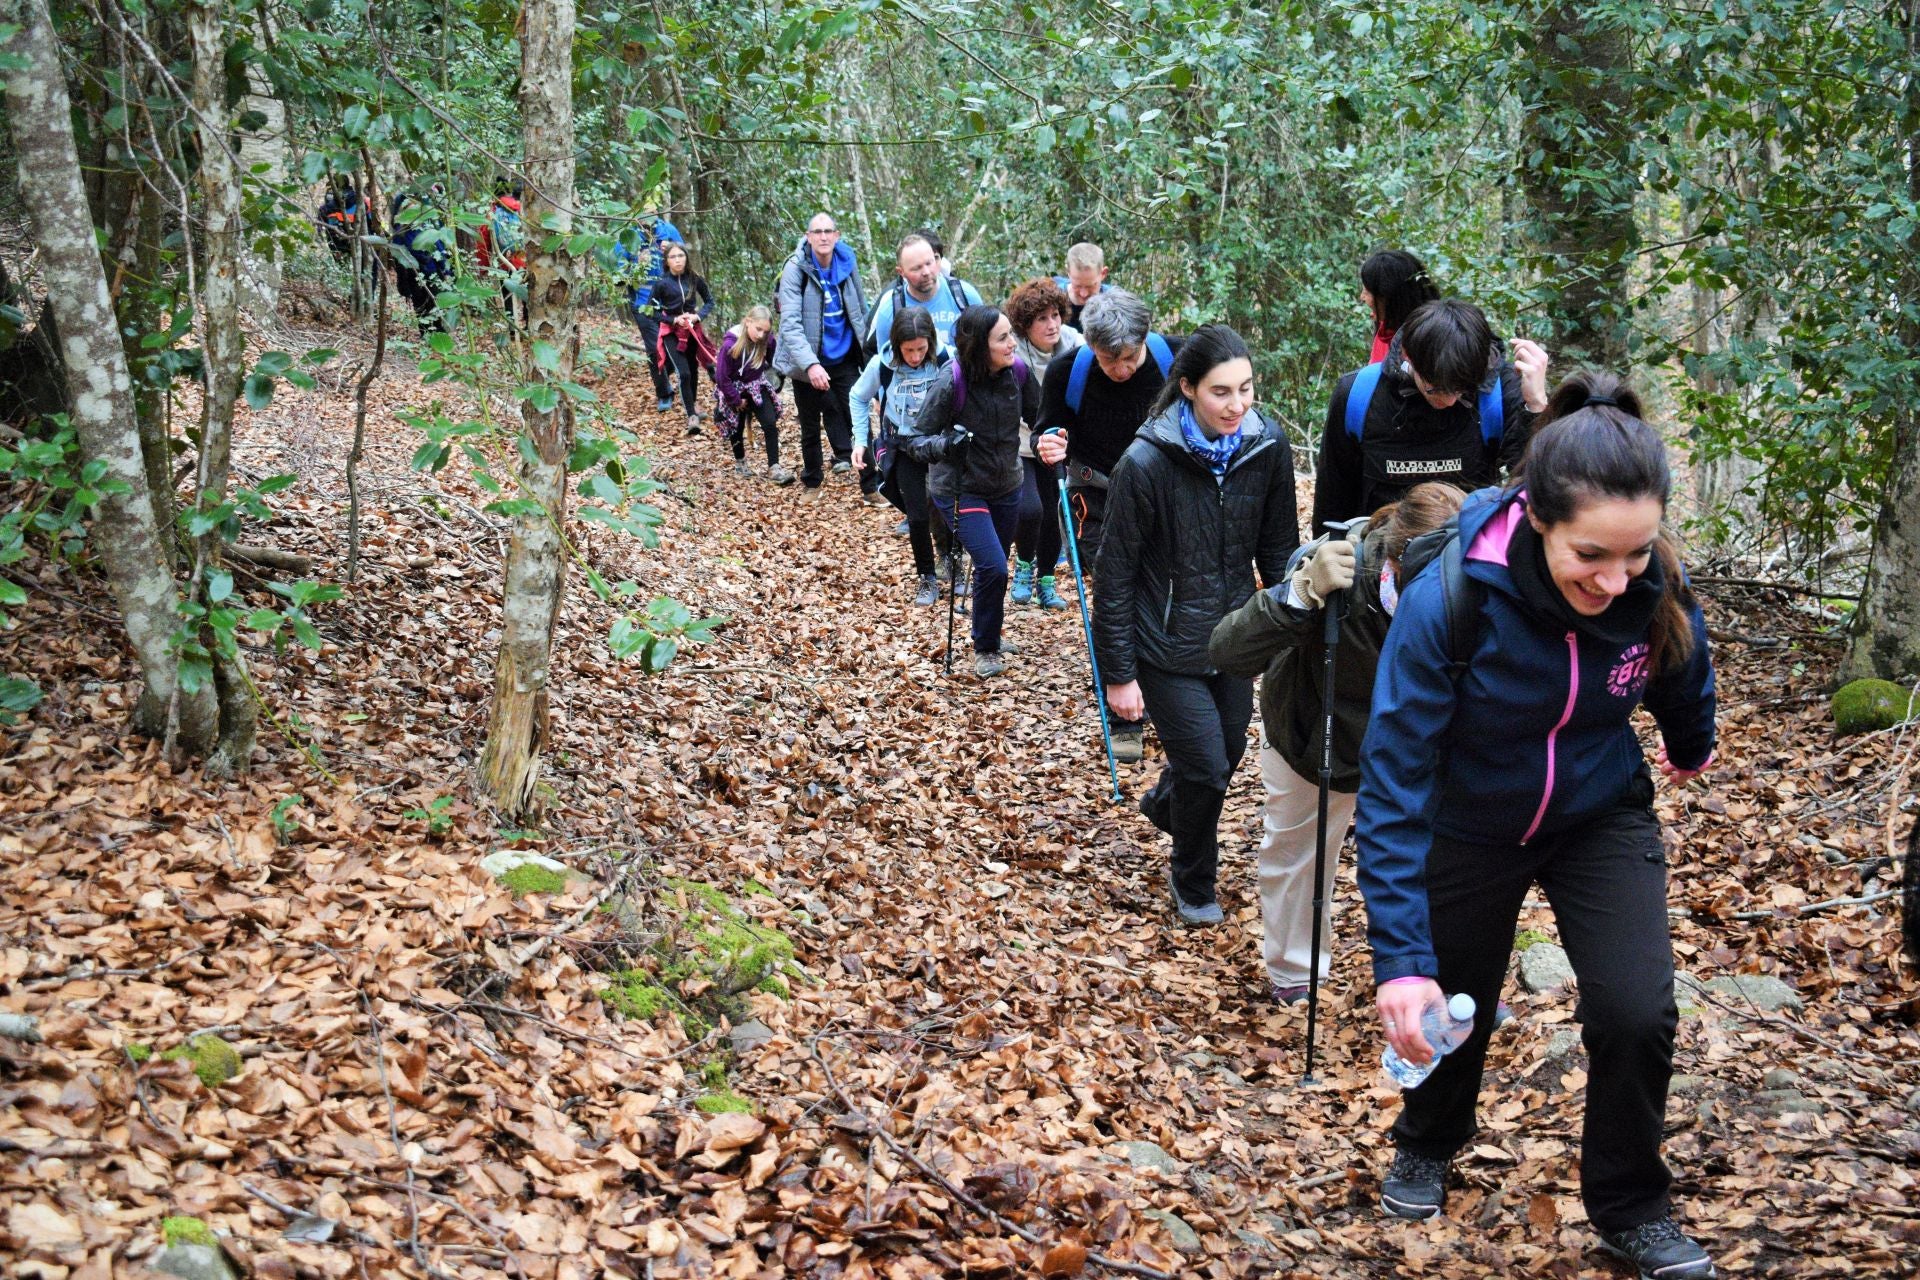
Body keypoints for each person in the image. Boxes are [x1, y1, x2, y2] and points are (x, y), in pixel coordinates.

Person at [1357, 373, 1717, 1280]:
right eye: (1593, 554)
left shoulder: (1647, 568)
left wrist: (1689, 739)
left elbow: (1679, 649)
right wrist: (1401, 962)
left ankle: (1630, 1204)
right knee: (1453, 998)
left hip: (1599, 812)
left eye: (1634, 556)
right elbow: (1393, 784)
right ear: (1538, 517)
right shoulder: (1454, 598)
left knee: (1638, 1011)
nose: (1615, 577)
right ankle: (1429, 1140)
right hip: (1471, 820)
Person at [1208, 483, 1466, 1003]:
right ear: (1396, 560)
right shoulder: (1340, 571)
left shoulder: (1473, 589)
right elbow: (1227, 651)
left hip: (1419, 745)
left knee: (1449, 859)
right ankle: (1295, 973)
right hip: (1314, 736)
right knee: (1300, 852)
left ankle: (1452, 973)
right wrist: (1301, 592)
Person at [1092, 325, 1299, 925]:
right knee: (1207, 767)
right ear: (1187, 389)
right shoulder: (1146, 461)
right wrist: (1118, 674)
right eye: (1221, 392)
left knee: (1223, 754)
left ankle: (1166, 801)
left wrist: (1291, 632)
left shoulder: (1267, 448)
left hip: (1235, 638)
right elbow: (1116, 575)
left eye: (1247, 389)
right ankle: (1194, 883)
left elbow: (1281, 550)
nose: (1238, 405)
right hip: (1165, 644)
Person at [1033, 289, 1180, 762]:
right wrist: (1048, 444)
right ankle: (1125, 713)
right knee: (1117, 592)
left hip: (1161, 496)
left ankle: (1162, 687)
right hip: (1091, 496)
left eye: (1129, 358)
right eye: (1109, 359)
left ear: (1146, 340)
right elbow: (1045, 428)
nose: (1121, 369)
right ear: (1091, 346)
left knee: (1158, 592)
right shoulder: (1068, 371)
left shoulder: (1174, 359)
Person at [1313, 298, 1549, 537]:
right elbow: (1333, 499)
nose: (1449, 401)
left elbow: (1534, 490)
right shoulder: (1359, 395)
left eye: (1462, 390)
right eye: (1435, 388)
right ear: (1408, 356)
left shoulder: (1498, 390)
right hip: (1379, 547)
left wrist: (1537, 406)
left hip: (1466, 548)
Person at [902, 305, 1041, 675]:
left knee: (992, 566)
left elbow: (1040, 419)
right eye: (1003, 338)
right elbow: (915, 440)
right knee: (994, 565)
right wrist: (948, 445)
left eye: (1011, 334)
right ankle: (985, 649)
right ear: (980, 346)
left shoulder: (1019, 374)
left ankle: (988, 632)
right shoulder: (952, 381)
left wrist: (1049, 439)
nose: (1013, 343)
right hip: (960, 487)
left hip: (1007, 483)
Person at [850, 309, 949, 605]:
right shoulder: (882, 364)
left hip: (940, 444)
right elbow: (858, 396)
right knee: (916, 514)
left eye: (921, 349)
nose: (916, 356)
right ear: (896, 345)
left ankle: (950, 556)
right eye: (909, 350)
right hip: (903, 445)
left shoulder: (947, 359)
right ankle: (926, 578)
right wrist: (860, 439)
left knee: (946, 505)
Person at [775, 213, 873, 498]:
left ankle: (871, 484)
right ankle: (812, 482)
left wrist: (868, 351)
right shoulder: (796, 268)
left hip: (843, 356)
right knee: (809, 425)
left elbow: (860, 309)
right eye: (817, 231)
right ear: (808, 236)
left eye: (828, 231)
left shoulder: (847, 261)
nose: (823, 236)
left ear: (837, 235)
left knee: (859, 419)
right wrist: (811, 365)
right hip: (807, 358)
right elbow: (790, 324)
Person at [1005, 278, 1083, 610]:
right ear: (1025, 325)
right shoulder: (1013, 351)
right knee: (1030, 509)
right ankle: (1024, 566)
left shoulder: (1075, 344)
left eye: (1055, 315)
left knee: (1053, 514)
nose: (1051, 325)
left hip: (1057, 442)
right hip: (1022, 444)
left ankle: (1046, 581)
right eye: (1041, 319)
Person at [864, 232, 984, 361]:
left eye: (929, 263)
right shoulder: (891, 308)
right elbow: (885, 364)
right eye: (916, 268)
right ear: (901, 272)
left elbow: (985, 346)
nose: (926, 272)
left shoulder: (964, 295)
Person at [613, 211, 685, 412]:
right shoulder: (629, 237)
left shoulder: (668, 231)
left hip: (670, 303)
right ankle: (664, 394)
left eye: (651, 223)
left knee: (675, 348)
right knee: (654, 350)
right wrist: (635, 264)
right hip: (643, 304)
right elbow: (617, 276)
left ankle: (671, 372)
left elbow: (684, 260)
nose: (648, 228)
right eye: (644, 224)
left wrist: (671, 251)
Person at [715, 305, 793, 484]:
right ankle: (740, 461)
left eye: (765, 332)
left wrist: (778, 377)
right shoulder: (730, 344)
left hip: (757, 385)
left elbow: (775, 360)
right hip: (733, 389)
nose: (760, 335)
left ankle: (774, 467)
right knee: (736, 426)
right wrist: (734, 398)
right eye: (758, 329)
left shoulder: (767, 341)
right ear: (748, 322)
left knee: (770, 422)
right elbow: (721, 377)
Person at [651, 242, 717, 435]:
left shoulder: (694, 279)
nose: (678, 260)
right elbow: (651, 311)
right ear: (667, 261)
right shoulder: (661, 283)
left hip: (692, 330)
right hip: (671, 333)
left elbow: (710, 301)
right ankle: (691, 416)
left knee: (694, 369)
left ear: (686, 257)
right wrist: (673, 319)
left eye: (681, 256)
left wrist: (697, 316)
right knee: (684, 373)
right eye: (673, 257)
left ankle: (693, 404)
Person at [390, 183, 452, 333]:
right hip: (415, 274)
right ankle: (427, 336)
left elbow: (440, 248)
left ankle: (437, 336)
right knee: (421, 307)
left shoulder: (427, 226)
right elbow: (398, 256)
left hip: (431, 272)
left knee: (434, 305)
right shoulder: (402, 231)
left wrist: (447, 271)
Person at [1360, 249, 1440, 363]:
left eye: (1367, 291)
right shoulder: (1386, 331)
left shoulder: (1431, 340)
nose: (1362, 297)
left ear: (1389, 296)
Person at [1054, 241, 1112, 329]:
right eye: (1077, 286)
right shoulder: (1053, 296)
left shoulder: (1115, 302)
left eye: (1090, 286)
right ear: (1068, 272)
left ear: (1103, 273)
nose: (1083, 294)